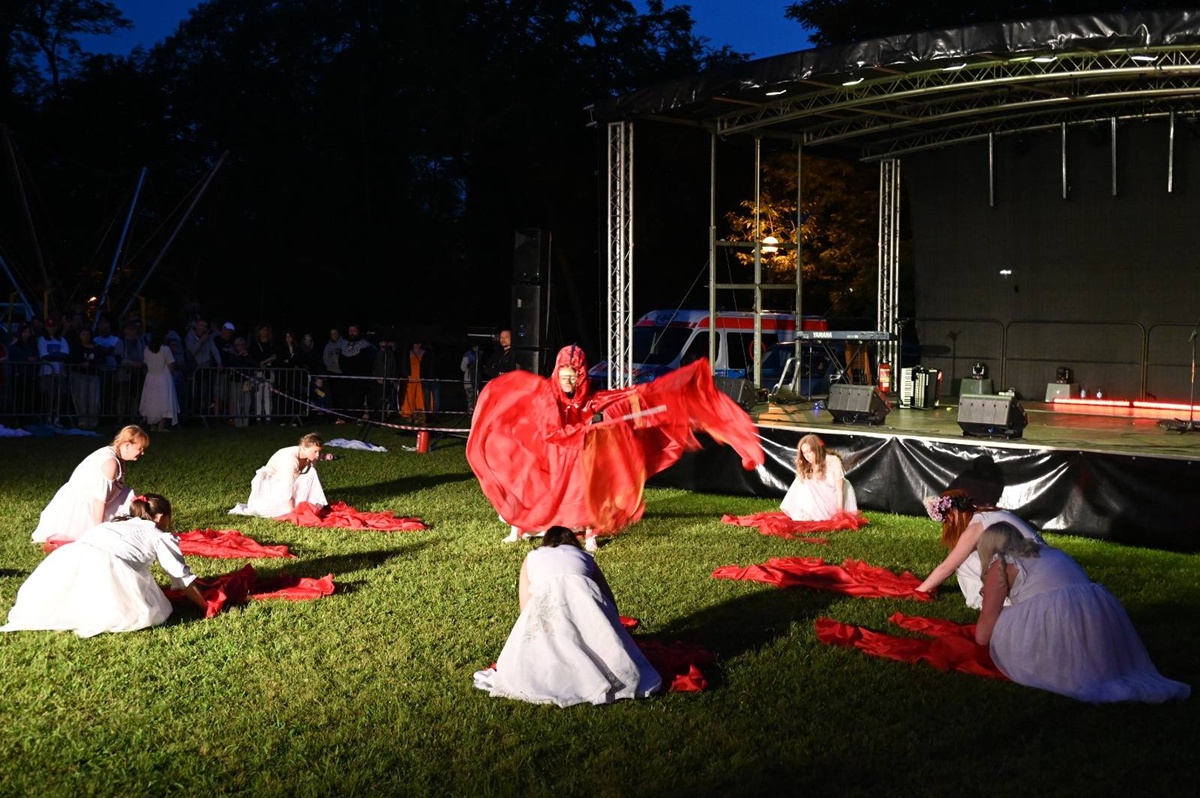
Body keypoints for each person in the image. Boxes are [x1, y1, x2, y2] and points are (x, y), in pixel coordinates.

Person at [468, 344, 764, 551]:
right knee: (530, 480)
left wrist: (673, 401)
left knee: (591, 483)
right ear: (557, 372)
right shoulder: (546, 396)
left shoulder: (593, 399)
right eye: (565, 373)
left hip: (577, 460)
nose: (570, 379)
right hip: (551, 455)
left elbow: (630, 399)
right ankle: (519, 526)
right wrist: (585, 430)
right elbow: (552, 431)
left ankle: (589, 533)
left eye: (575, 373)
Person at [973, 522, 1189, 703]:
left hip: (1060, 621)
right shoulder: (1049, 552)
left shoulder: (1001, 564)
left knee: (1002, 619)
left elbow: (983, 634)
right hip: (1094, 615)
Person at [472, 526, 661, 706]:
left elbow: (525, 606)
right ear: (573, 542)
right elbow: (607, 597)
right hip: (585, 608)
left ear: (546, 542)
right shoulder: (586, 556)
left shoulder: (532, 557)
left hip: (549, 609)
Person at [3, 494, 208, 637]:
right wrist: (205, 606)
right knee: (154, 610)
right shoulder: (158, 535)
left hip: (68, 561)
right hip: (104, 570)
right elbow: (179, 574)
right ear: (161, 517)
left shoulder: (112, 523)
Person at [916, 489, 1044, 608]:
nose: (946, 522)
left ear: (954, 511)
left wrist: (919, 591)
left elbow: (948, 567)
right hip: (1041, 563)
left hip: (1031, 572)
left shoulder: (976, 526)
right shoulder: (986, 514)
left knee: (964, 563)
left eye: (946, 516)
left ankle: (995, 601)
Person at [31, 425, 150, 543]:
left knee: (128, 497)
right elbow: (99, 501)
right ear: (127, 445)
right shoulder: (110, 463)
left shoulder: (117, 458)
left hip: (93, 502)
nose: (142, 453)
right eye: (140, 448)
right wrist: (98, 532)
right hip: (79, 511)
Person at [229, 432, 328, 517]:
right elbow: (287, 485)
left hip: (291, 478)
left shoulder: (308, 456)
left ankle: (309, 502)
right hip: (271, 482)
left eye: (319, 452)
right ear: (304, 448)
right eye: (315, 452)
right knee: (279, 509)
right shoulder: (290, 459)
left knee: (312, 472)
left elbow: (312, 474)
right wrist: (292, 511)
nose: (318, 455)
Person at [780, 433, 857, 521]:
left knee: (808, 483)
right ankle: (803, 511)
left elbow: (840, 490)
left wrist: (840, 511)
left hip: (834, 495)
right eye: (804, 453)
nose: (807, 456)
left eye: (809, 451)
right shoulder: (807, 463)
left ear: (817, 450)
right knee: (801, 480)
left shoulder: (833, 460)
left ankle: (817, 513)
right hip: (818, 497)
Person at [139, 329, 179, 432]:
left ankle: (153, 426)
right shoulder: (165, 349)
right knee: (164, 400)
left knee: (152, 400)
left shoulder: (147, 349)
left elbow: (146, 363)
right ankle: (161, 426)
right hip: (163, 378)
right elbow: (171, 365)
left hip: (151, 377)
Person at [67, 326, 102, 428]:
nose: (86, 337)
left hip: (93, 375)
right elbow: (72, 358)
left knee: (94, 400)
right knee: (80, 399)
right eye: (83, 334)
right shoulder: (76, 347)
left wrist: (90, 363)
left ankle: (93, 421)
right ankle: (82, 421)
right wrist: (81, 363)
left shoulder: (96, 347)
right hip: (79, 375)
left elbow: (101, 359)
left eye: (88, 334)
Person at [461, 345, 481, 415]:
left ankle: (474, 414)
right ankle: (471, 414)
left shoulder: (479, 355)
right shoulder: (467, 356)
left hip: (475, 380)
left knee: (474, 399)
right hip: (469, 380)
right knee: (471, 398)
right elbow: (463, 368)